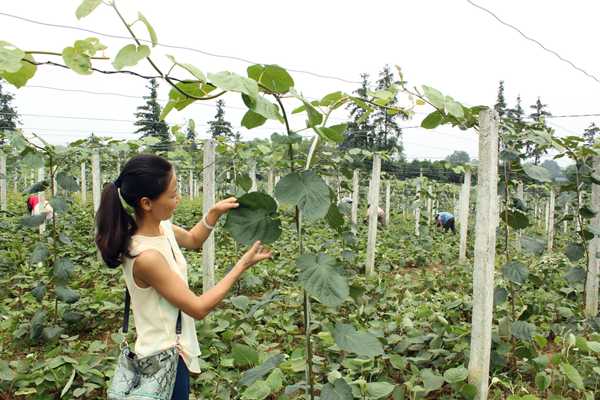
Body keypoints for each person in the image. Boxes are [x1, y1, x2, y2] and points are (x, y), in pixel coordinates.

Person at [95, 154, 271, 400]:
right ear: (147, 203)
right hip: (163, 359)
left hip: (171, 352)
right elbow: (198, 308)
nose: (178, 199)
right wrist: (241, 265)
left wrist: (213, 213)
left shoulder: (161, 228)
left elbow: (193, 240)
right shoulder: (146, 257)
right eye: (172, 194)